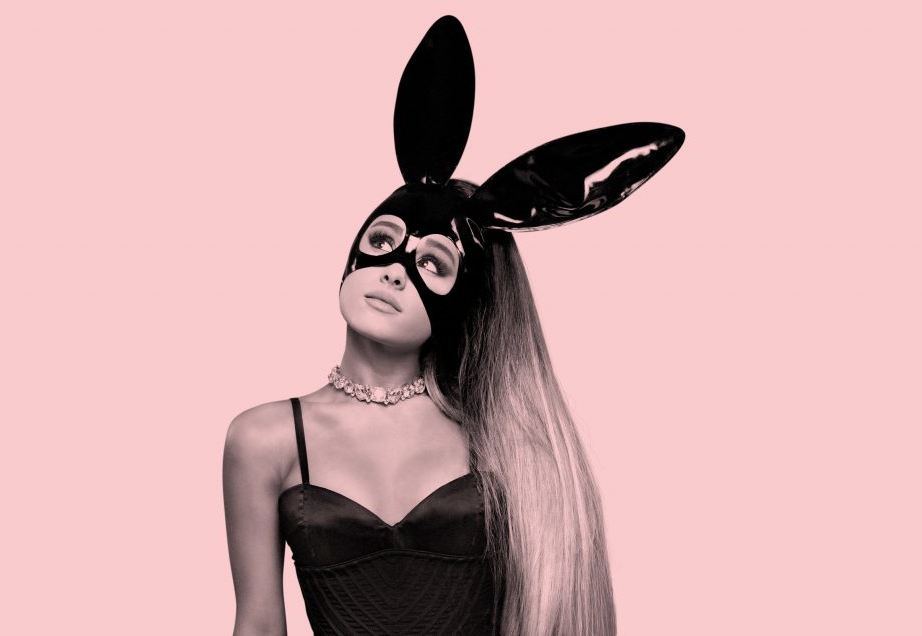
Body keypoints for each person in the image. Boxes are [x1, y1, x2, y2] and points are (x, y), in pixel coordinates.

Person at [223, 15, 684, 636]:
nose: (393, 271)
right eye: (382, 241)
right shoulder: (265, 439)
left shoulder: (504, 440)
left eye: (432, 265)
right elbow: (257, 624)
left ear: (463, 300)